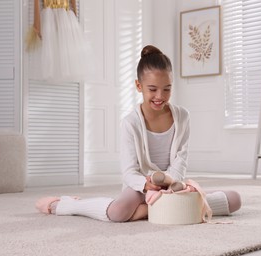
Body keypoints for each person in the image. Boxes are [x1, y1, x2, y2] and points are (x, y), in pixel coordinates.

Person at [35, 45, 241, 222]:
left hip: (172, 186)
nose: (160, 96)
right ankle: (69, 205)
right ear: (139, 86)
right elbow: (129, 172)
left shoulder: (183, 117)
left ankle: (155, 210)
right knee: (117, 213)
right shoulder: (130, 123)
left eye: (167, 89)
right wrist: (146, 185)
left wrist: (169, 185)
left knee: (234, 200)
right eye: (152, 89)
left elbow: (180, 161)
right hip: (139, 188)